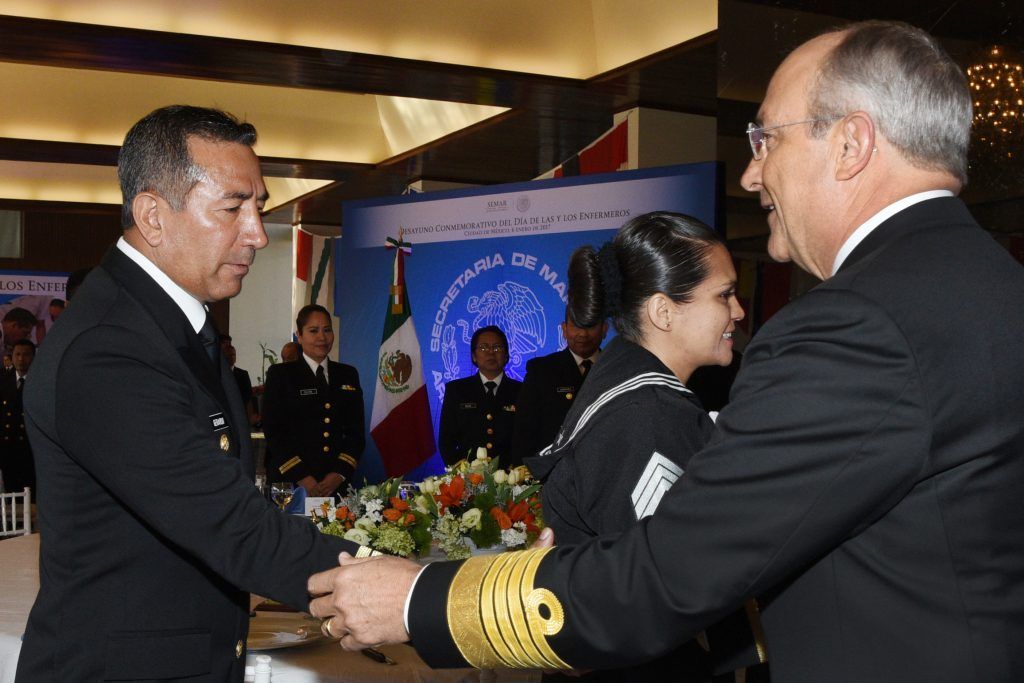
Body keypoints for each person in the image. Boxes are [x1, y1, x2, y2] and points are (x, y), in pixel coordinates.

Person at [307, 21, 1024, 682]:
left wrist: (423, 600)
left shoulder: (855, 324)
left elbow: (670, 575)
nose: (749, 174)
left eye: (766, 138)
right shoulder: (993, 286)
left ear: (851, 143)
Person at [17, 105, 360, 682]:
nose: (255, 232)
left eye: (259, 206)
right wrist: (410, 589)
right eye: (233, 208)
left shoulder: (168, 325)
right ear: (153, 215)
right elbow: (232, 525)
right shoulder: (109, 348)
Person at [525, 212, 750, 682]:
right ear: (663, 311)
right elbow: (659, 588)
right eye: (724, 295)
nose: (738, 312)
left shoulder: (625, 374)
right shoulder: (650, 411)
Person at [262, 304, 365, 496]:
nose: (322, 337)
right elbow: (275, 432)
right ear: (299, 336)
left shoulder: (348, 374)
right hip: (292, 484)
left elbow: (355, 434)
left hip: (336, 485)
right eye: (313, 331)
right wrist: (304, 478)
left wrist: (338, 474)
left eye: (327, 330)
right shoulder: (281, 375)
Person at [509, 309, 607, 468]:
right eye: (576, 326)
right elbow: (524, 431)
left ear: (604, 330)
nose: (583, 334)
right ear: (564, 329)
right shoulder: (541, 370)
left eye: (590, 326)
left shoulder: (616, 370)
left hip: (603, 472)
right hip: (554, 474)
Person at [437, 325, 521, 466]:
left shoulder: (522, 391)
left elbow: (528, 438)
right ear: (474, 356)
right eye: (483, 348)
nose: (490, 353)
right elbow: (446, 442)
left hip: (512, 478)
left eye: (497, 348)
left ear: (506, 355)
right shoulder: (456, 391)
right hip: (469, 480)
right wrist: (462, 474)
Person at [0, 339, 35, 494]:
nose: (21, 359)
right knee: (10, 492)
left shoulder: (39, 381)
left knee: (30, 491)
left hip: (30, 448)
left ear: (34, 357)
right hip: (7, 447)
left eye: (26, 355)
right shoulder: (3, 380)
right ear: (11, 356)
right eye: (17, 354)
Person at [221, 333, 260, 426]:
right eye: (226, 346)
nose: (231, 357)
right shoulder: (214, 372)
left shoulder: (242, 374)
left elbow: (248, 398)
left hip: (239, 416)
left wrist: (249, 418)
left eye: (233, 355)